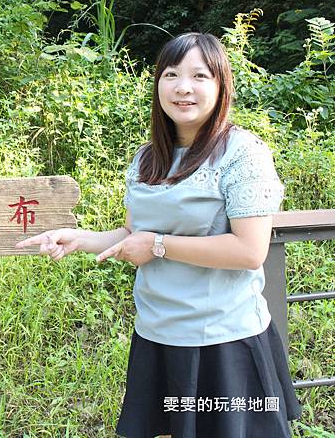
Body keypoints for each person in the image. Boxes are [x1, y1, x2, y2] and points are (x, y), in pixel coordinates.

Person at [15, 32, 302, 438]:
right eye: (171, 74)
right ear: (158, 85)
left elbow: (249, 250)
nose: (183, 87)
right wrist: (79, 237)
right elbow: (134, 232)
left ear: (221, 86)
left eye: (199, 76)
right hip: (158, 334)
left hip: (224, 343)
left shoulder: (242, 153)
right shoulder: (148, 157)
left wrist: (159, 246)